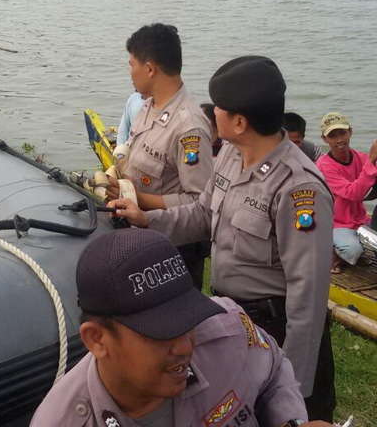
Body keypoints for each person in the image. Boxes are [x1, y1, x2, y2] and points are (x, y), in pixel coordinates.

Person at [111, 56, 335, 422]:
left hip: (277, 329)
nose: (212, 113)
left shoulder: (298, 189)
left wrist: (291, 383)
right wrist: (146, 219)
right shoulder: (231, 152)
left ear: (240, 122)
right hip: (235, 321)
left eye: (219, 108)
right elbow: (203, 214)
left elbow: (307, 298)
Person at [31, 228, 329, 427]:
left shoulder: (228, 331)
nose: (186, 346)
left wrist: (289, 421)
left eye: (187, 320)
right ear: (97, 339)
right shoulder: (61, 420)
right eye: (161, 331)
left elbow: (273, 368)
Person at [106, 23, 213, 290]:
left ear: (150, 68)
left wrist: (134, 197)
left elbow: (200, 205)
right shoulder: (147, 106)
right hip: (139, 238)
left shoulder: (189, 127)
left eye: (131, 65)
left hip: (173, 254)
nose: (130, 73)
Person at [316, 112, 377, 274]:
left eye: (342, 133)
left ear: (350, 132)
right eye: (332, 135)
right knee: (353, 251)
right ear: (324, 139)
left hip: (361, 220)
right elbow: (353, 193)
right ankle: (331, 249)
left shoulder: (360, 157)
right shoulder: (324, 166)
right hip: (336, 223)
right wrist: (371, 161)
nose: (339, 139)